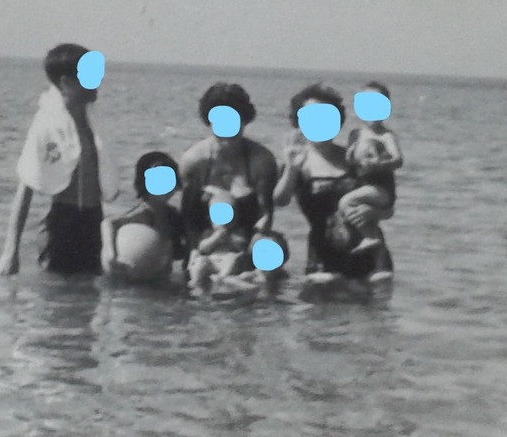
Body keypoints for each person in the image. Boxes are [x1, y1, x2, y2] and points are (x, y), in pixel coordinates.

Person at [0, 42, 118, 277]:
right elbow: (26, 187)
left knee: (90, 302)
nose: (98, 80)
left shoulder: (94, 123)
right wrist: (10, 251)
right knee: (57, 301)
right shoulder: (47, 126)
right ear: (66, 83)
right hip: (62, 223)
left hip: (94, 221)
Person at [273, 83, 392, 278]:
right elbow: (280, 201)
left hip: (371, 255)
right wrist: (292, 168)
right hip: (323, 256)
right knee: (320, 307)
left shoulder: (356, 159)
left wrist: (374, 211)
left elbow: (388, 207)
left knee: (376, 308)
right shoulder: (297, 162)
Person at [179, 82, 279, 290]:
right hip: (206, 243)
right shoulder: (194, 161)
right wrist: (196, 250)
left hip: (245, 244)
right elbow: (188, 218)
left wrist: (253, 251)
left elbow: (266, 216)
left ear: (244, 120)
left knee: (270, 251)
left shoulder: (262, 160)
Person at [337, 80, 403, 260]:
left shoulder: (385, 135)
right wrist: (350, 157)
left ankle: (369, 236)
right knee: (353, 207)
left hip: (381, 190)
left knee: (345, 203)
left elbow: (398, 160)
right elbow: (351, 162)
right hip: (365, 188)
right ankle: (367, 236)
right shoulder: (355, 135)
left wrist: (380, 165)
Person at [101, 151, 186, 280]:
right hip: (136, 275)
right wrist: (111, 253)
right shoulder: (144, 213)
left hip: (161, 276)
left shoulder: (173, 215)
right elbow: (109, 223)